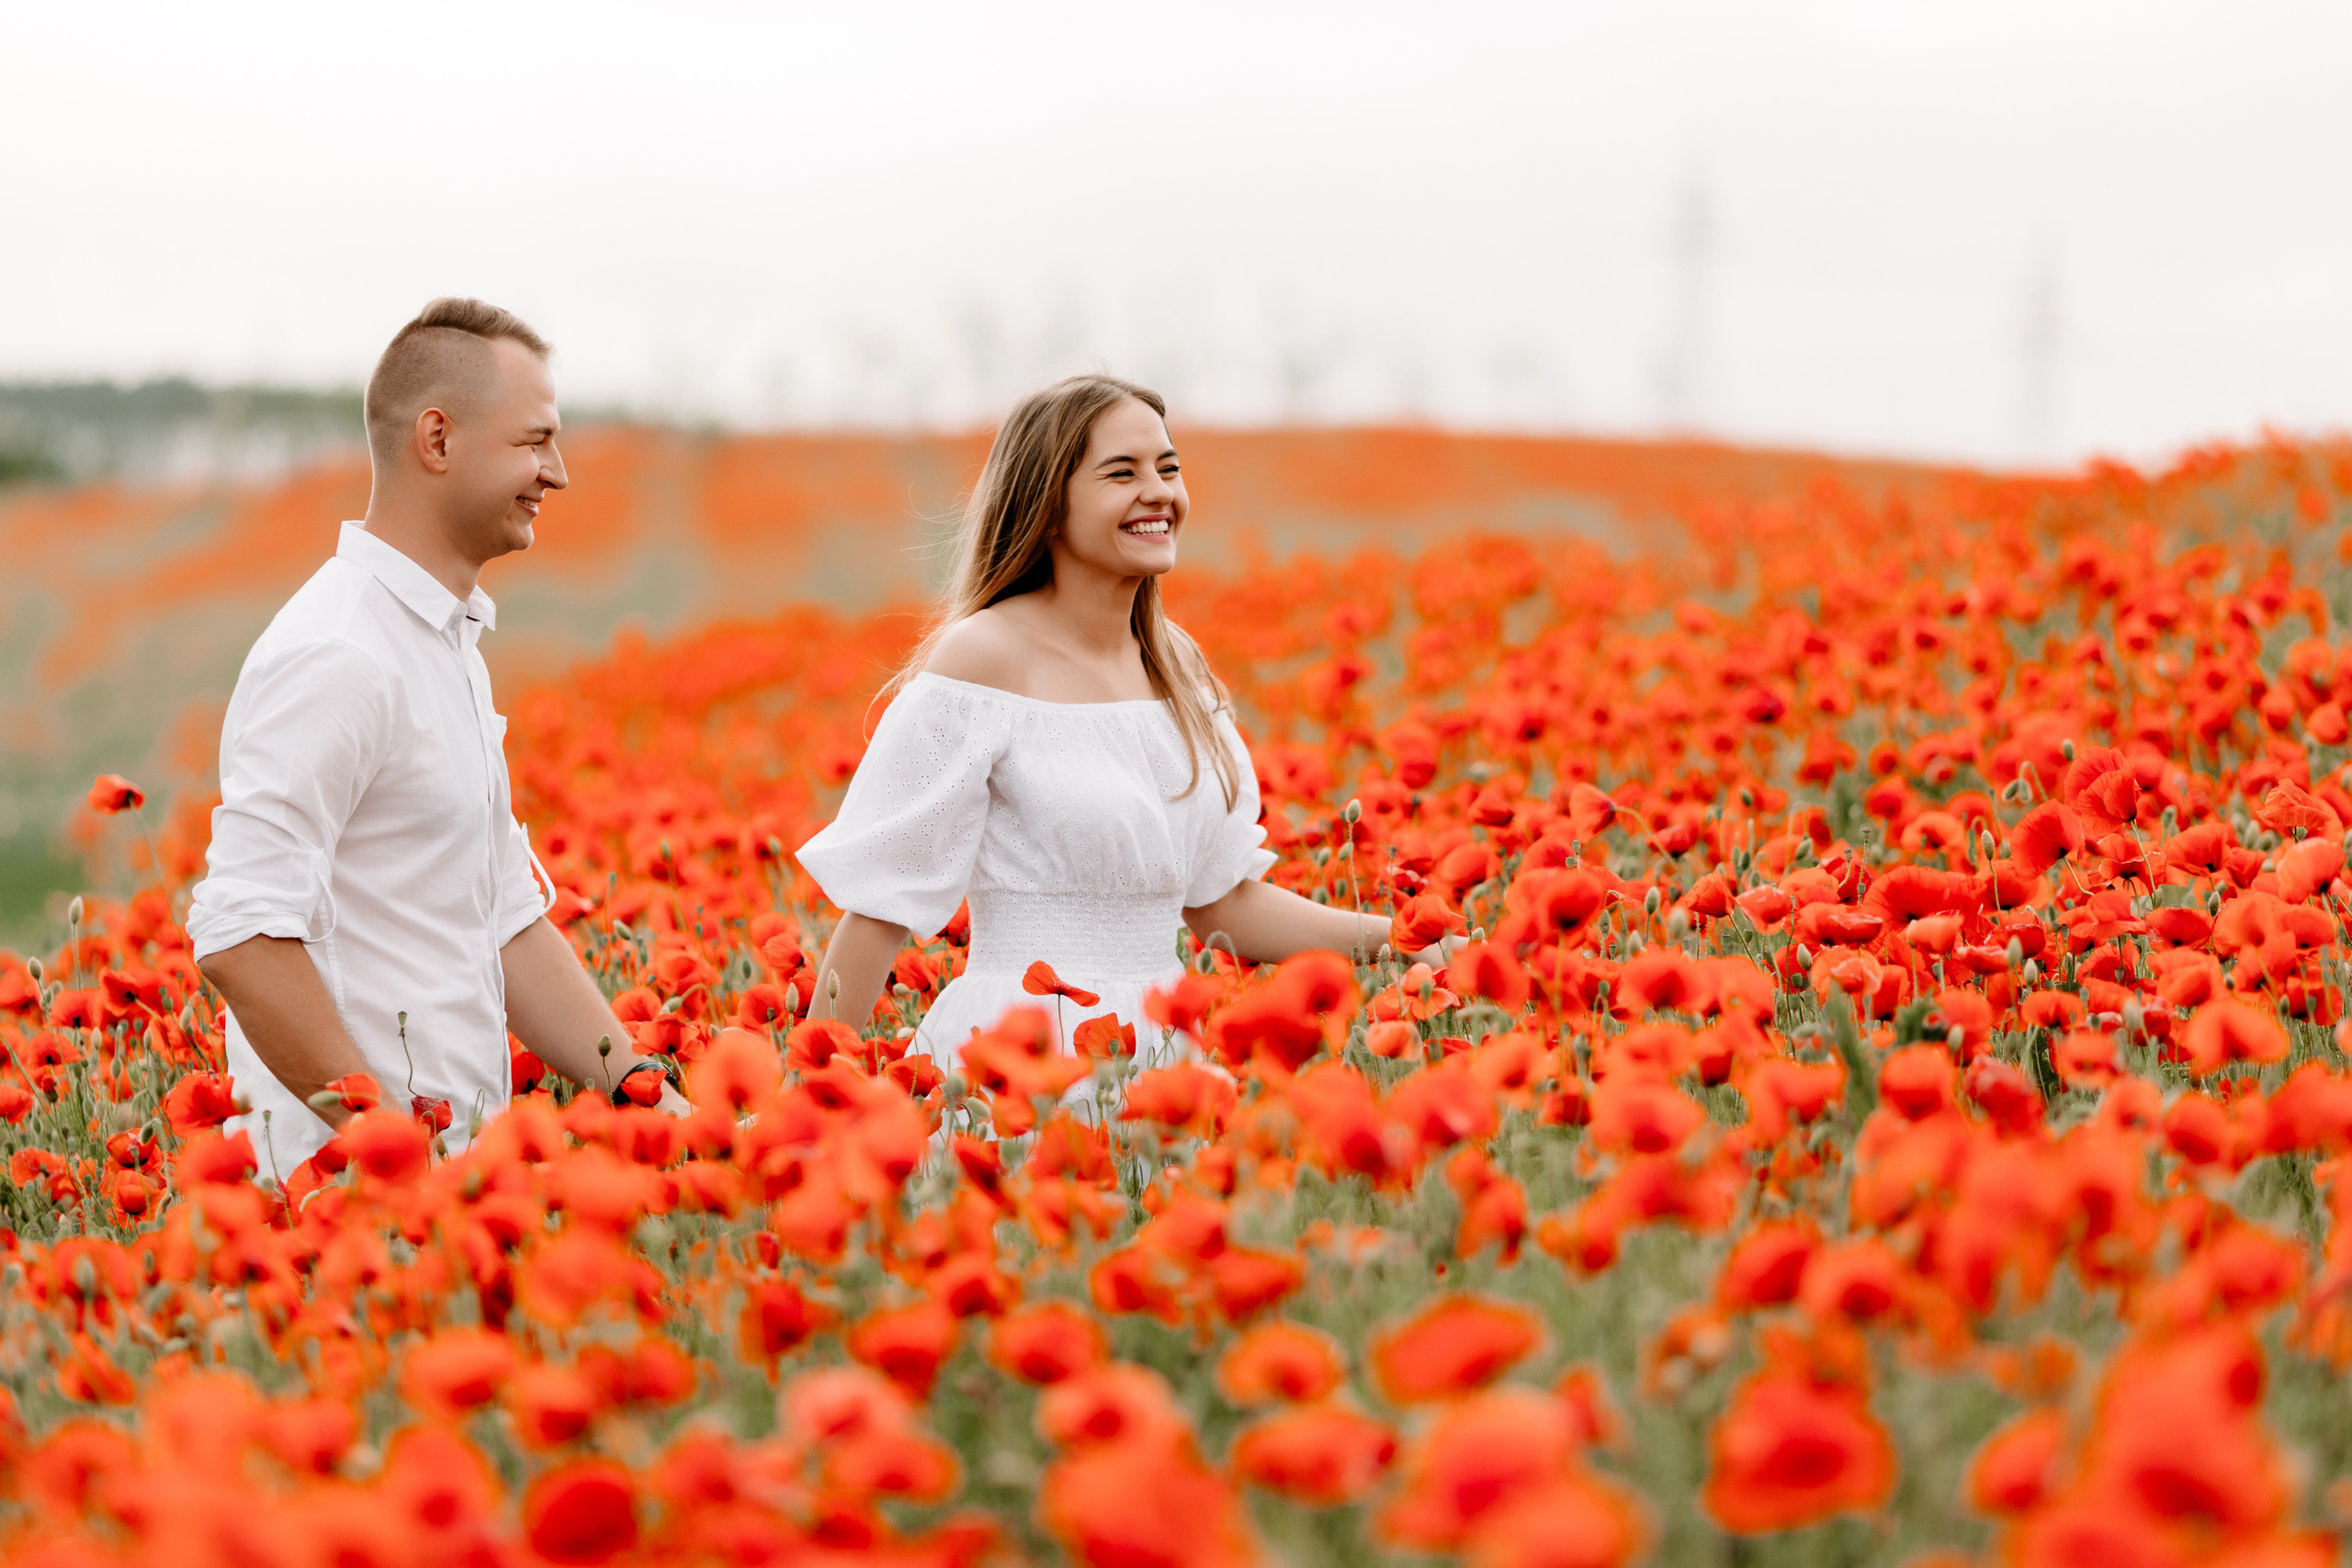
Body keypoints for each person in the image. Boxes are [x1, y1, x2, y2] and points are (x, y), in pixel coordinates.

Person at [797, 375, 1436, 1066]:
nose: (1159, 492)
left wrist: (1404, 941)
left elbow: (1222, 904)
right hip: (1021, 1052)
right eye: (1122, 473)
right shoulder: (984, 658)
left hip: (1161, 1052)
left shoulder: (1174, 664)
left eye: (1168, 468)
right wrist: (806, 1091)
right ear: (1047, 506)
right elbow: (881, 906)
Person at [190, 297, 686, 1180]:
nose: (558, 472)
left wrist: (649, 1094)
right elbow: (242, 934)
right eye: (535, 441)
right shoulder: (340, 653)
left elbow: (506, 919)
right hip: (344, 1201)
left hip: (457, 1182)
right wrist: (389, 1151)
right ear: (438, 439)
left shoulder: (442, 642)